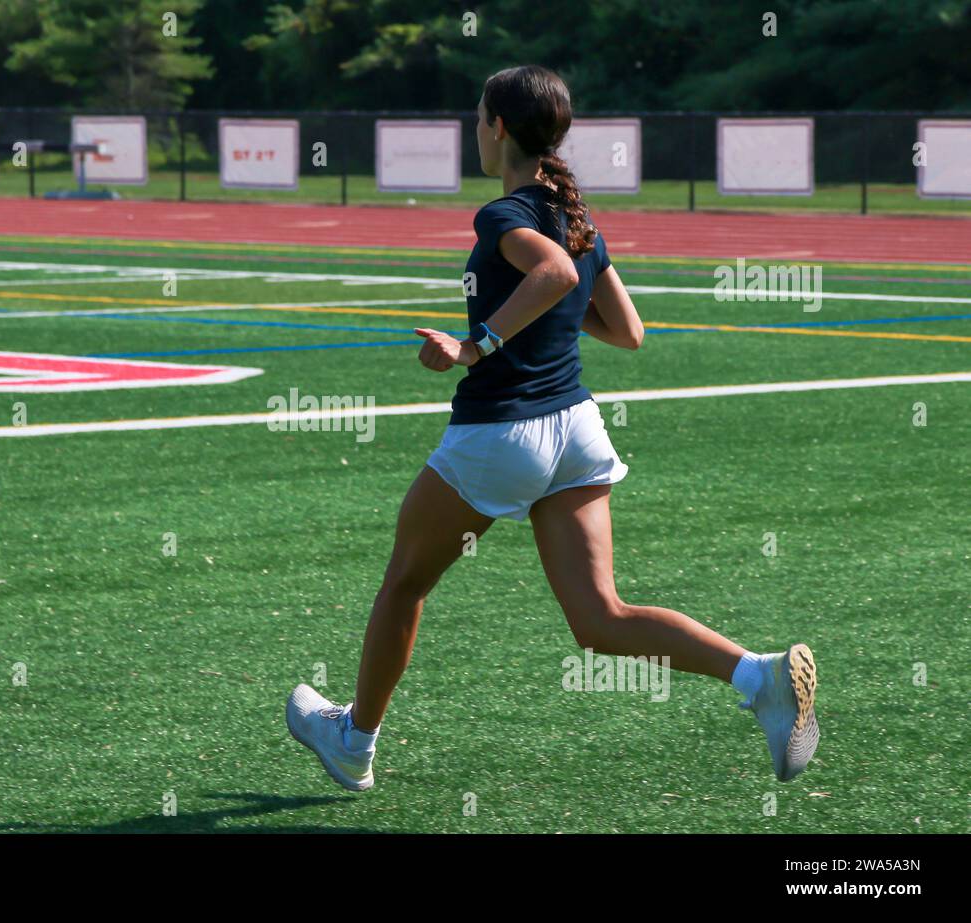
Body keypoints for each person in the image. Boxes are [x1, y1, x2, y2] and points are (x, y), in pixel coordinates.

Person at [286, 65, 819, 792]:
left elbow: (558, 278)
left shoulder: (504, 216)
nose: (476, 128)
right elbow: (628, 331)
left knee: (405, 583)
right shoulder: (576, 216)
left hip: (502, 434)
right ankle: (757, 677)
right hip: (576, 430)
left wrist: (476, 347)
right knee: (601, 617)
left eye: (479, 117)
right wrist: (550, 319)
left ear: (499, 128)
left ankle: (353, 741)